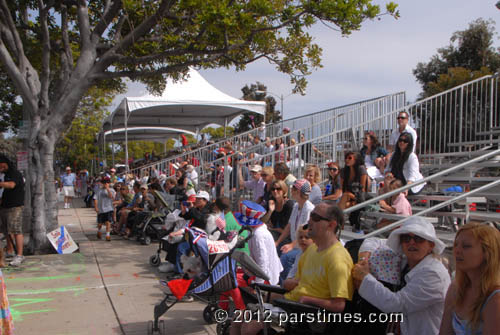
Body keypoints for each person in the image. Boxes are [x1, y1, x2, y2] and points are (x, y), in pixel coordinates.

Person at [352, 217, 450, 335]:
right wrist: (364, 260)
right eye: (406, 238)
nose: (411, 242)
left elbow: (397, 304)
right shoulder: (407, 260)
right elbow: (373, 241)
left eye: (419, 239)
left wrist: (364, 278)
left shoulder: (433, 274)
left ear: (431, 245)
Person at [439, 223, 500, 335]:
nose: (457, 250)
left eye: (466, 246)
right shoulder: (455, 289)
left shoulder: (495, 299)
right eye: (455, 245)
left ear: (487, 253)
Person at [276, 179, 314, 281]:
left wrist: (291, 245)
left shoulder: (309, 208)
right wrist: (277, 242)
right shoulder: (296, 205)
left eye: (293, 188)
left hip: (303, 246)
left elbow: (305, 232)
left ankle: (286, 283)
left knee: (286, 257)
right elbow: (289, 225)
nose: (291, 190)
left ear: (297, 191)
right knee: (275, 248)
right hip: (295, 243)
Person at [0, 155, 26, 267]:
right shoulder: (3, 175)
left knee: (16, 230)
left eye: (1, 166)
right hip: (4, 206)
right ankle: (10, 251)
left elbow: (11, 185)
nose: (1, 169)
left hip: (15, 207)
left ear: (5, 163)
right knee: (7, 231)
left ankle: (19, 255)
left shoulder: (14, 173)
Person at [260, 180, 294, 247]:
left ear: (283, 190)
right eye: (273, 189)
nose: (275, 191)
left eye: (278, 189)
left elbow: (287, 231)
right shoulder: (272, 202)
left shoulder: (289, 205)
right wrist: (270, 211)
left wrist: (272, 229)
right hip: (274, 234)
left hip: (286, 238)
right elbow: (263, 221)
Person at [94, 177, 116, 242]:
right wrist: (96, 207)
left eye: (106, 183)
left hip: (109, 208)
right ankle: (99, 231)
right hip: (101, 209)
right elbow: (95, 198)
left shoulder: (112, 190)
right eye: (104, 183)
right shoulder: (99, 190)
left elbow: (111, 197)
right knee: (100, 223)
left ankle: (107, 235)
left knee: (108, 222)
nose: (105, 184)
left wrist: (107, 189)